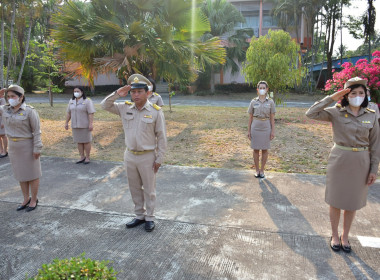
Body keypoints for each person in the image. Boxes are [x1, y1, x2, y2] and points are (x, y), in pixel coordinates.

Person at [306, 77, 379, 253]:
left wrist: (373, 169)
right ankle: (334, 235)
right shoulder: (336, 112)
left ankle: (345, 236)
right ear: (346, 95)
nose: (358, 96)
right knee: (336, 200)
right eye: (353, 93)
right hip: (339, 160)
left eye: (361, 93)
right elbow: (311, 113)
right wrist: (332, 97)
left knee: (352, 202)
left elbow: (376, 144)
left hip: (361, 162)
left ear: (366, 94)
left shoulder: (371, 114)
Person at [101, 74, 167, 232]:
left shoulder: (156, 111)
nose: (135, 95)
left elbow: (162, 137)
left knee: (149, 189)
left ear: (147, 93)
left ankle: (150, 217)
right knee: (134, 187)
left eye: (139, 92)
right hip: (130, 155)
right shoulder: (124, 108)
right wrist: (118, 93)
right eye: (133, 92)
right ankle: (139, 215)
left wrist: (159, 159)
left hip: (147, 156)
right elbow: (104, 105)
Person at [0, 85, 42, 212]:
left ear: (21, 97)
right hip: (13, 147)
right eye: (8, 97)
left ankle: (34, 199)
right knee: (21, 175)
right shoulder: (4, 109)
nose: (10, 99)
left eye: (13, 96)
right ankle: (25, 198)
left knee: (32, 174)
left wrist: (37, 148)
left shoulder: (30, 111)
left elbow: (37, 131)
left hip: (27, 146)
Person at [247, 81, 276, 178]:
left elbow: (272, 118)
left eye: (264, 88)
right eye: (260, 88)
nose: (262, 89)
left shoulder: (271, 102)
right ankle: (257, 170)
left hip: (266, 127)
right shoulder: (253, 102)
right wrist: (249, 131)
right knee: (255, 149)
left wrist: (272, 131)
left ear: (267, 89)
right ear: (257, 89)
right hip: (255, 126)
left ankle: (262, 170)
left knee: (264, 149)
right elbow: (250, 118)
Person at [65, 87, 96, 164]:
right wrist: (66, 122)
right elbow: (69, 113)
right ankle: (82, 156)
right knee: (79, 141)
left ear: (82, 92)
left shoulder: (87, 101)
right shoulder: (71, 101)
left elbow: (91, 113)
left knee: (86, 141)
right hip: (75, 125)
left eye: (77, 91)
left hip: (85, 125)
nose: (76, 93)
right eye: (74, 91)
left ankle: (88, 157)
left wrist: (91, 124)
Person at [0, 89, 8, 158]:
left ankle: (5, 151)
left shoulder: (2, 99)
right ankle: (1, 150)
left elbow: (4, 111)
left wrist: (3, 121)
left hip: (1, 119)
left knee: (3, 135)